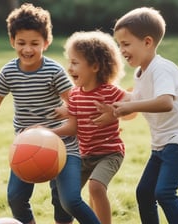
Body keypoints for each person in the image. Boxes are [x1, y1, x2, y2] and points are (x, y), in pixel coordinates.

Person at [0, 3, 100, 224]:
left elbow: (76, 106)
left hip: (64, 146)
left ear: (46, 42)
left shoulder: (54, 71)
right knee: (15, 197)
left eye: (35, 43)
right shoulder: (9, 71)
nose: (28, 49)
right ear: (12, 41)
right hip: (26, 147)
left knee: (67, 201)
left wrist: (53, 130)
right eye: (21, 43)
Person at [112, 7, 178, 224]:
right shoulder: (141, 72)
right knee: (144, 192)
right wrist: (113, 109)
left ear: (147, 42)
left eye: (126, 44)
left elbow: (165, 102)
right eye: (119, 44)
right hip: (162, 143)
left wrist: (130, 105)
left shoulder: (161, 68)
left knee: (164, 192)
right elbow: (134, 101)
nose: (121, 50)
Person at [49, 30, 127, 224]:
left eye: (75, 63)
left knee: (96, 187)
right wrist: (48, 133)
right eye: (69, 62)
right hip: (84, 155)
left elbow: (133, 106)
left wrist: (114, 111)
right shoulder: (74, 95)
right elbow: (72, 127)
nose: (69, 68)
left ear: (94, 66)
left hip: (110, 153)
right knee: (66, 194)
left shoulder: (110, 92)